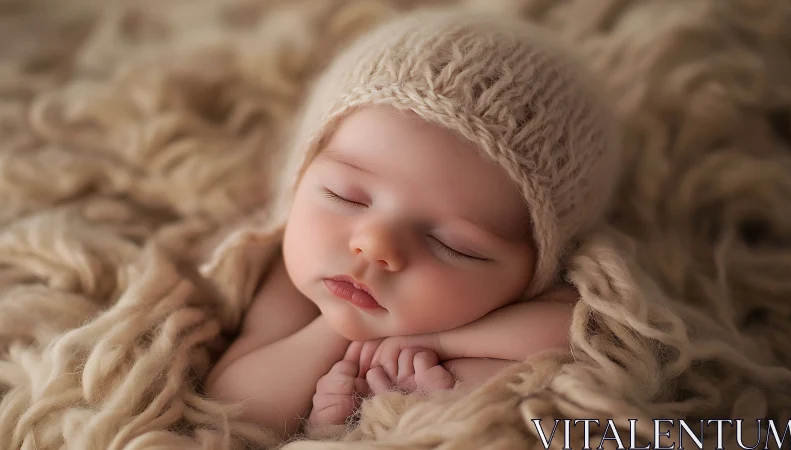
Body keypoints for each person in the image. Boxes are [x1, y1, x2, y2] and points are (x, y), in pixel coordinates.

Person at [202, 7, 622, 442]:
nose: (374, 244)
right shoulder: (289, 286)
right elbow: (234, 407)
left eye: (453, 245)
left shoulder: (511, 315)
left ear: (532, 274)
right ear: (300, 177)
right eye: (344, 197)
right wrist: (336, 332)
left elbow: (584, 336)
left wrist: (443, 344)